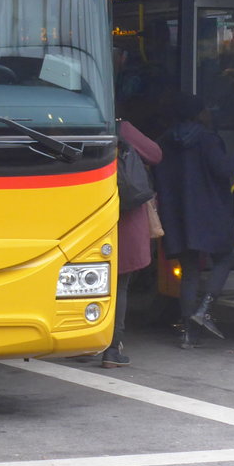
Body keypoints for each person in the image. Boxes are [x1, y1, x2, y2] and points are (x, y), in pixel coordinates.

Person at [154, 92, 234, 349]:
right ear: (198, 113)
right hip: (210, 212)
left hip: (179, 215)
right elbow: (222, 169)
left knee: (190, 272)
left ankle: (187, 335)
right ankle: (204, 308)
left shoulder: (164, 141)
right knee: (225, 256)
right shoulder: (208, 140)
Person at [102, 118, 162, 368]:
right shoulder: (121, 127)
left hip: (90, 214)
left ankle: (83, 344)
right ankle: (112, 349)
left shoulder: (76, 124)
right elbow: (156, 154)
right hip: (125, 218)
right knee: (120, 285)